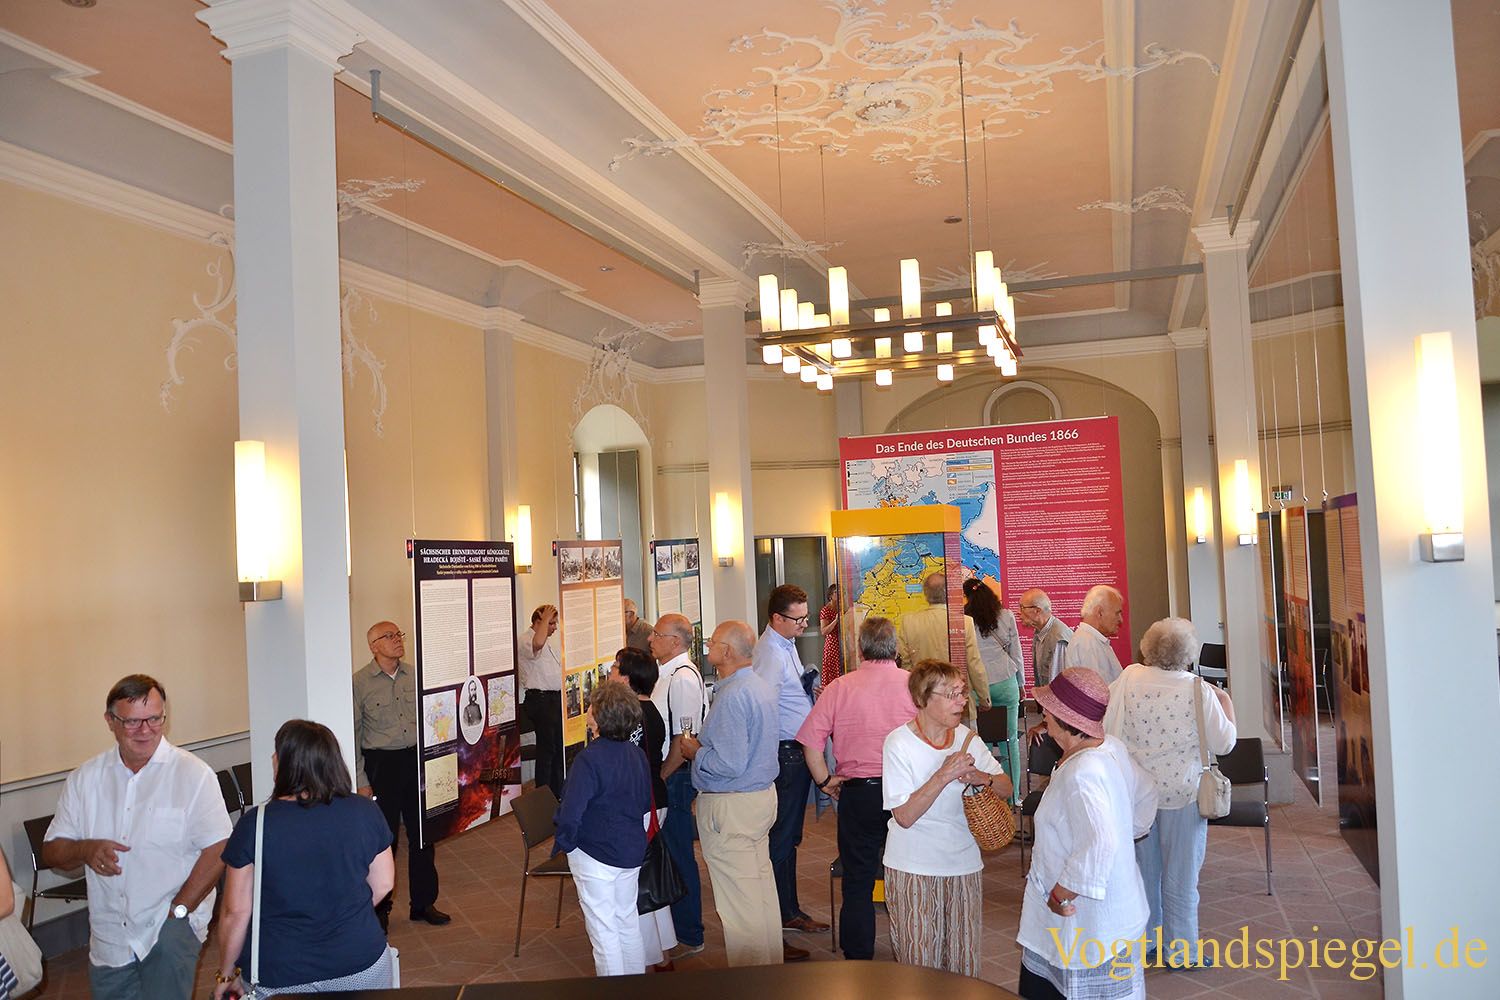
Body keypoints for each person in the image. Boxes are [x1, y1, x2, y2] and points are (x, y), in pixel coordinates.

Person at [43, 674, 232, 1000]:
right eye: (132, 722)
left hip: (168, 930)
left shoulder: (193, 775)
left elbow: (218, 847)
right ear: (110, 721)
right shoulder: (85, 779)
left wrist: (179, 912)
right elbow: (52, 851)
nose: (146, 730)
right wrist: (85, 849)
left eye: (154, 719)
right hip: (110, 938)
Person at [212, 720, 396, 997]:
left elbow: (235, 912)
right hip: (360, 961)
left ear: (288, 763)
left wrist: (226, 974)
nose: (272, 758)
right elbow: (383, 884)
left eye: (277, 752)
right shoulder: (364, 810)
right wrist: (340, 916)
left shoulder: (255, 824)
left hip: (281, 973)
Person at [1017, 668, 1157, 1000]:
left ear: (1066, 718)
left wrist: (1061, 894)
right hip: (1112, 911)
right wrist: (1127, 830)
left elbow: (1101, 843)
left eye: (1049, 709)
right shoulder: (1110, 748)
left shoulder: (1083, 773)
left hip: (1087, 920)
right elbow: (1147, 792)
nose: (1044, 714)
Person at [1104, 618, 1236, 966]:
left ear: (1148, 647)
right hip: (1183, 794)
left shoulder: (1129, 678)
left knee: (1144, 875)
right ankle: (1181, 952)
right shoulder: (1197, 689)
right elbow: (1224, 743)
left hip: (1138, 795)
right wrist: (1226, 702)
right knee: (1181, 878)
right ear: (1188, 654)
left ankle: (1147, 942)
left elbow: (1106, 722)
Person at [796, 616, 917, 961]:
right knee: (910, 874)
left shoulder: (839, 687)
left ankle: (858, 956)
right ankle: (914, 946)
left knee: (858, 878)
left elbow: (810, 743)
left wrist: (825, 781)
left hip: (859, 793)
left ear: (860, 649)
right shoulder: (914, 685)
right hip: (907, 795)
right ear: (895, 648)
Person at [882, 659, 1009, 976]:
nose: (962, 701)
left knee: (964, 967)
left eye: (962, 692)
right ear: (923, 699)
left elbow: (1006, 787)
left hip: (964, 867)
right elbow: (904, 816)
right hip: (913, 869)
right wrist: (943, 775)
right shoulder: (899, 743)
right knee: (919, 969)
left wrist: (981, 776)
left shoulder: (967, 739)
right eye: (952, 694)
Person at [679, 620, 783, 967]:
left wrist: (695, 751)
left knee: (740, 905)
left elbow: (728, 763)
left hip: (732, 806)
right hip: (759, 799)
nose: (707, 646)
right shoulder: (759, 685)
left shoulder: (733, 695)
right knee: (760, 892)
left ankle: (751, 982)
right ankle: (772, 972)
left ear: (727, 652)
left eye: (712, 642)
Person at [352, 621, 449, 928]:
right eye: (389, 636)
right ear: (374, 646)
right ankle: (379, 910)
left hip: (416, 760)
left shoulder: (415, 676)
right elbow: (354, 735)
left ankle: (423, 903)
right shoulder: (359, 683)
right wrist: (361, 780)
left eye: (398, 635)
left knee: (423, 834)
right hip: (382, 764)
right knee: (385, 839)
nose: (397, 640)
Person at [554, 681, 653, 977]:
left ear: (598, 716)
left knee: (604, 932)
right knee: (627, 922)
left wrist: (567, 843)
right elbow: (643, 802)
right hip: (630, 850)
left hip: (595, 853)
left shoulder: (589, 759)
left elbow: (571, 812)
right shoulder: (636, 754)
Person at [750, 584, 826, 946]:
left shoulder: (786, 644)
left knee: (790, 835)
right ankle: (781, 914)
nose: (804, 625)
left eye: (806, 617)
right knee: (782, 837)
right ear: (776, 618)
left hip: (796, 749)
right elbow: (764, 707)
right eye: (798, 619)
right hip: (785, 753)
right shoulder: (769, 652)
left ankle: (788, 909)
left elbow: (788, 694)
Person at [610, 646, 678, 970]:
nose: (610, 673)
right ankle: (663, 951)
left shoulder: (632, 716)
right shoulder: (649, 711)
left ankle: (648, 957)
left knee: (635, 885)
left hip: (639, 806)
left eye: (614, 668)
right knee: (647, 878)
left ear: (626, 678)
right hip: (652, 799)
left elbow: (623, 766)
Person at [646, 613, 707, 958]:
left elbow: (683, 740)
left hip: (676, 778)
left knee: (679, 855)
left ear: (675, 641)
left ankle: (689, 933)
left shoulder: (682, 678)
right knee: (670, 854)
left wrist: (662, 777)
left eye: (657, 634)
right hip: (669, 776)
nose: (651, 639)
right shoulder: (667, 673)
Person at [897, 572, 990, 721]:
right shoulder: (964, 622)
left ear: (926, 593)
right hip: (958, 701)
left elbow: (906, 667)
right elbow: (973, 664)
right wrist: (984, 697)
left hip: (925, 701)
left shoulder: (908, 622)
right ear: (949, 592)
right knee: (962, 736)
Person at [964, 579, 1023, 804]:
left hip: (979, 686)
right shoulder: (1006, 616)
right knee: (1010, 739)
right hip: (1006, 681)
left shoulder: (965, 619)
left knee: (983, 743)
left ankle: (990, 797)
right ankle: (1013, 796)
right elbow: (1016, 652)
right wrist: (1021, 683)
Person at [519, 604, 565, 800]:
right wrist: (545, 619)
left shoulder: (548, 641)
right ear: (538, 622)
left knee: (558, 749)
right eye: (550, 623)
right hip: (540, 700)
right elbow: (536, 644)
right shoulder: (526, 639)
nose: (554, 627)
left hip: (554, 699)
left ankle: (557, 792)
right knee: (547, 751)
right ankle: (544, 797)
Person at [1065, 584, 1126, 683]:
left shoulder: (1090, 640)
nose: (1120, 619)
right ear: (1099, 612)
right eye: (1117, 613)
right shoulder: (1086, 644)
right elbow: (1097, 690)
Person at [1017, 588, 1071, 689]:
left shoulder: (1058, 639)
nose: (1018, 612)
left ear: (1037, 611)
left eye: (1022, 607)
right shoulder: (1040, 631)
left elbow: (1059, 685)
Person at [818, 583, 842, 689]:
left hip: (843, 643)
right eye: (836, 592)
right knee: (832, 674)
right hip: (832, 645)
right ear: (830, 595)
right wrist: (835, 621)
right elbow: (824, 631)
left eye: (841, 592)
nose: (839, 594)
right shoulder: (825, 610)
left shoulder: (842, 607)